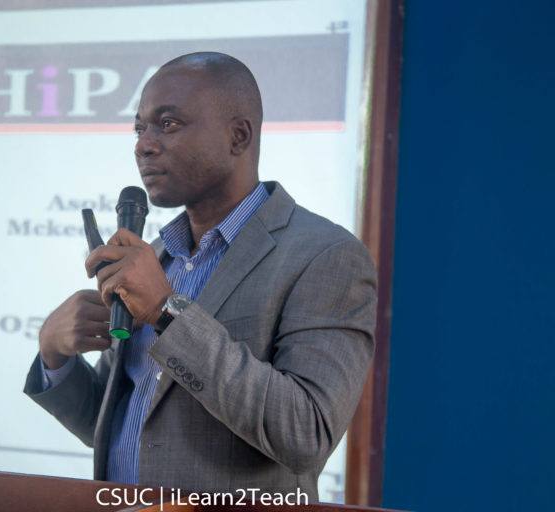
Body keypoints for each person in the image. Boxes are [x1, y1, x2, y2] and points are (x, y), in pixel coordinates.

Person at [24, 52, 377, 502]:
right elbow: (125, 428)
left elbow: (306, 434)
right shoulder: (156, 257)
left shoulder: (325, 256)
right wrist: (54, 355)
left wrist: (167, 312)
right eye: (139, 128)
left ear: (238, 136)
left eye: (167, 124)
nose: (143, 145)